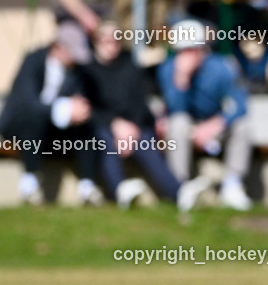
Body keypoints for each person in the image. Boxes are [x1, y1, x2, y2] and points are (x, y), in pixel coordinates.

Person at [84, 22, 209, 211]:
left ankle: (178, 192)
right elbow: (88, 109)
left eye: (115, 40)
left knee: (145, 140)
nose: (111, 45)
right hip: (102, 128)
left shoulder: (130, 66)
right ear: (95, 41)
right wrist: (115, 124)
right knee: (104, 138)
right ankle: (119, 190)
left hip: (133, 128)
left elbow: (140, 103)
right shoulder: (86, 71)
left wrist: (131, 128)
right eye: (106, 41)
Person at [0, 22, 102, 206]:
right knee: (35, 118)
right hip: (21, 127)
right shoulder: (33, 60)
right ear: (57, 47)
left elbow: (79, 101)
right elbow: (26, 103)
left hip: (55, 131)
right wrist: (62, 108)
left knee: (86, 125)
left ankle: (87, 186)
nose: (75, 59)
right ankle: (30, 182)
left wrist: (77, 110)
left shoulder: (77, 72)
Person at [157, 20, 254, 210]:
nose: (189, 56)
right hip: (186, 127)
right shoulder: (168, 69)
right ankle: (179, 187)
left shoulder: (221, 67)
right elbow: (175, 109)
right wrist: (181, 80)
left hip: (213, 126)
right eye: (184, 51)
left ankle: (232, 185)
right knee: (177, 123)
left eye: (193, 50)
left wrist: (215, 125)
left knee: (243, 126)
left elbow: (240, 105)